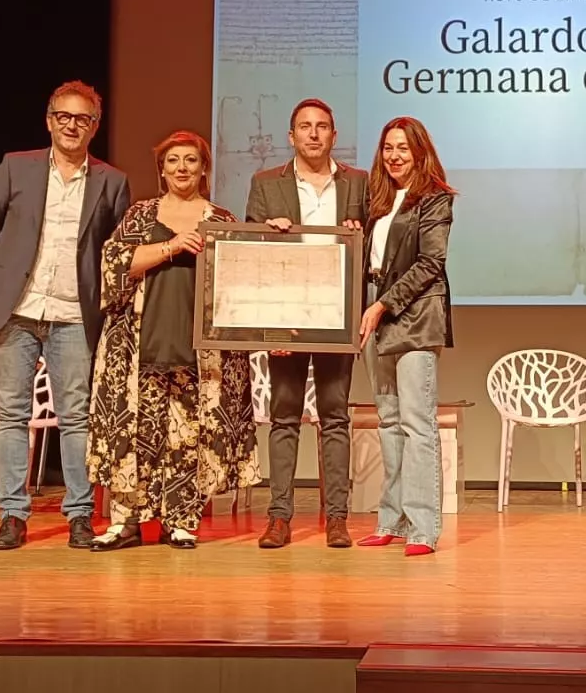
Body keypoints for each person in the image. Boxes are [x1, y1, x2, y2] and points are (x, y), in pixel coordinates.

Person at [0, 80, 132, 551]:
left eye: (83, 119)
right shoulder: (15, 167)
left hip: (74, 314)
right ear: (49, 120)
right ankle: (13, 515)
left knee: (76, 417)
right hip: (16, 308)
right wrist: (10, 266)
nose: (72, 126)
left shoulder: (112, 180)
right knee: (13, 414)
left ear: (95, 126)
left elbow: (117, 249)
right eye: (64, 116)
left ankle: (79, 514)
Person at [87, 131, 260, 549]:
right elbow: (116, 265)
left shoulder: (221, 220)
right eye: (173, 161)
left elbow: (240, 284)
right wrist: (171, 246)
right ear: (161, 170)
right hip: (140, 347)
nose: (182, 168)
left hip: (199, 353)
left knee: (188, 437)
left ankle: (180, 520)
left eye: (191, 160)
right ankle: (126, 522)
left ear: (204, 168)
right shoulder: (141, 216)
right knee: (135, 434)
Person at [244, 97, 368, 549]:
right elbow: (252, 258)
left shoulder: (358, 182)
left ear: (334, 135)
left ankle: (337, 517)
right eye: (305, 127)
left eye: (322, 127)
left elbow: (371, 247)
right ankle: (279, 517)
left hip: (337, 314)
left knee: (335, 416)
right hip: (287, 315)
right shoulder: (265, 183)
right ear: (291, 136)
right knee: (285, 415)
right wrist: (266, 231)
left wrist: (360, 231)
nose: (313, 134)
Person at [353, 116, 455, 556]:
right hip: (379, 311)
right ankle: (391, 520)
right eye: (388, 147)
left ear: (420, 152)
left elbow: (431, 263)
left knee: (417, 424)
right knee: (389, 423)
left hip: (413, 315)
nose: (394, 156)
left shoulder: (434, 199)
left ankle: (424, 528)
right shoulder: (376, 199)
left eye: (403, 148)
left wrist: (382, 305)